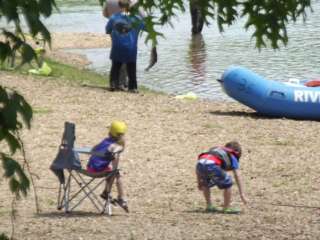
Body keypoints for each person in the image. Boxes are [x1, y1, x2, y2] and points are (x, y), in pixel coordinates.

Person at [87, 120, 129, 212]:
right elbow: (115, 158)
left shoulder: (105, 141)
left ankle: (106, 192)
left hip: (90, 168)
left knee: (110, 171)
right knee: (116, 173)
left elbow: (92, 150)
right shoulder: (116, 146)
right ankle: (122, 198)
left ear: (110, 132)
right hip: (99, 171)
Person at [195, 141, 248, 213]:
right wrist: (242, 194)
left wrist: (199, 182)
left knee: (205, 184)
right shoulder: (232, 155)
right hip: (212, 165)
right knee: (228, 183)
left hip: (200, 163)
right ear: (237, 152)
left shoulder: (216, 150)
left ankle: (209, 206)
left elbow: (199, 168)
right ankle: (226, 208)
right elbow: (237, 175)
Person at [105, 0, 145, 93]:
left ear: (119, 6)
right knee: (131, 68)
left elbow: (107, 30)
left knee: (116, 66)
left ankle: (113, 85)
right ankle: (132, 87)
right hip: (131, 47)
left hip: (117, 46)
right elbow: (145, 27)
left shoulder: (113, 18)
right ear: (130, 6)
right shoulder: (136, 18)